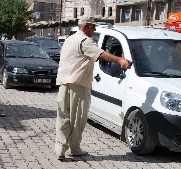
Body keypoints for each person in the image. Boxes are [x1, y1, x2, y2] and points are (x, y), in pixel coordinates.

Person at [55, 16, 131, 160]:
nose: (94, 30)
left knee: (63, 116)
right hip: (78, 84)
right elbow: (101, 54)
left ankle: (60, 149)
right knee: (78, 118)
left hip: (64, 83)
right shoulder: (84, 41)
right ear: (85, 27)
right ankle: (75, 148)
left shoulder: (69, 40)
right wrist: (120, 60)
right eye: (92, 27)